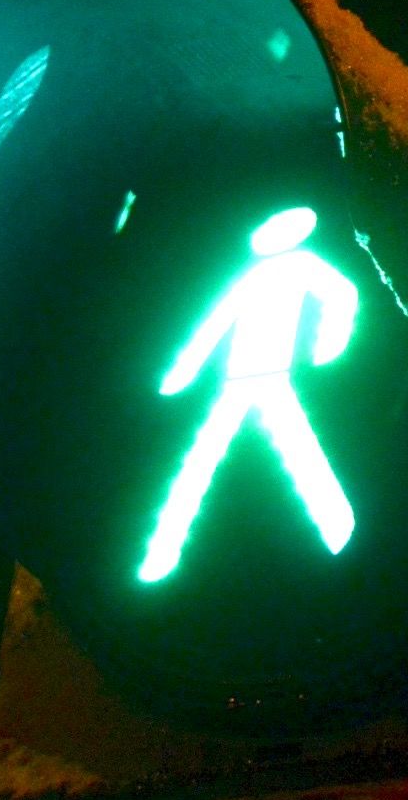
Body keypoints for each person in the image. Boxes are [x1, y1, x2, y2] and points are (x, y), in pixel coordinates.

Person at [138, 204, 360, 582]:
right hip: (238, 379)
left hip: (271, 376)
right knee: (204, 461)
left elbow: (341, 294)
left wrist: (328, 345)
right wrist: (180, 375)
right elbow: (214, 326)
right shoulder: (252, 277)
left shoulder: (302, 265)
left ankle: (337, 527)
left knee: (293, 453)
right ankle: (162, 553)